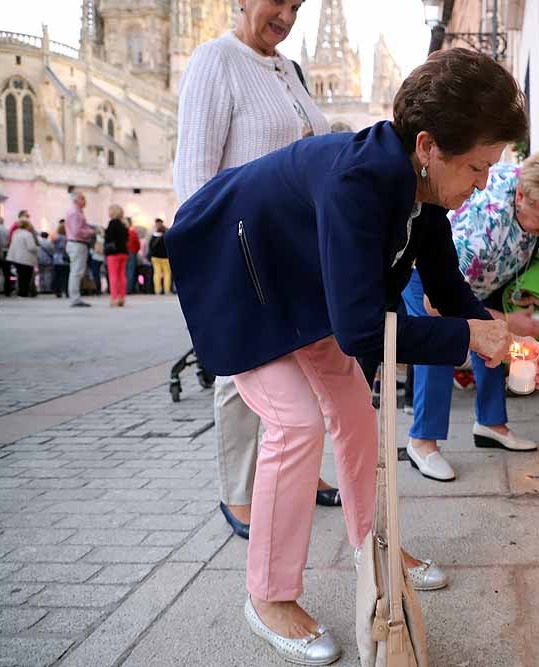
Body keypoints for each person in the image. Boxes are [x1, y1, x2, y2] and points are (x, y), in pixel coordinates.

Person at [167, 47, 526, 665]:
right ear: (428, 145)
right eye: (477, 166)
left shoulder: (425, 189)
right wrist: (468, 339)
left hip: (301, 286)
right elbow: (363, 332)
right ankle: (269, 596)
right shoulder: (358, 181)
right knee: (296, 421)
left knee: (356, 412)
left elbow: (445, 288)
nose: (483, 184)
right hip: (239, 279)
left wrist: (494, 326)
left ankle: (375, 544)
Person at [173, 0, 336, 545]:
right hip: (241, 246)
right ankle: (238, 489)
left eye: (297, 5)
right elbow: (195, 176)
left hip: (298, 247)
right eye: (279, 1)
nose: (287, 16)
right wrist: (216, 261)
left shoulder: (289, 69)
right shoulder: (215, 60)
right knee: (241, 371)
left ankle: (301, 469)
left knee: (303, 363)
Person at [401, 150, 539, 481]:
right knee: (441, 344)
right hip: (430, 283)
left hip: (481, 278)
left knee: (494, 343)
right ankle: (422, 441)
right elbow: (439, 303)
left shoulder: (532, 187)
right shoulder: (485, 229)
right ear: (521, 196)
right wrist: (507, 320)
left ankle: (490, 424)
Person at [65, 191, 95, 307]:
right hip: (77, 244)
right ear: (76, 200)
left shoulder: (77, 212)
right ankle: (75, 298)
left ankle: (75, 297)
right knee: (76, 272)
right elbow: (77, 231)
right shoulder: (75, 213)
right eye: (82, 198)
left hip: (77, 244)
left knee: (76, 271)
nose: (85, 201)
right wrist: (92, 232)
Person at [6, 219, 38, 298]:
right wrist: (37, 248)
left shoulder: (15, 233)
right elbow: (31, 247)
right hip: (26, 259)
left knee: (20, 276)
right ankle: (24, 293)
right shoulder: (27, 234)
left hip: (16, 258)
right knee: (26, 277)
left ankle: (20, 292)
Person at [104, 205, 129, 307]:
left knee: (113, 276)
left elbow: (108, 237)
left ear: (113, 212)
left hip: (113, 253)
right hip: (124, 253)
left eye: (109, 211)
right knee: (122, 276)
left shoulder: (112, 223)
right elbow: (126, 239)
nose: (108, 213)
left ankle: (114, 298)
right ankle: (122, 298)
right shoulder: (124, 224)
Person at [148, 218, 171, 295]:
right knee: (167, 273)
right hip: (165, 257)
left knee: (157, 274)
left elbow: (150, 246)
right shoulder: (167, 233)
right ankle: (166, 290)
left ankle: (157, 290)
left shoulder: (153, 234)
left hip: (155, 257)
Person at [51, 221, 70, 298]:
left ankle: (58, 292)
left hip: (56, 259)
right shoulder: (67, 238)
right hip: (65, 259)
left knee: (57, 276)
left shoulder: (56, 238)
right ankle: (66, 291)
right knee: (66, 276)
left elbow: (52, 248)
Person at [126, 216, 140, 294]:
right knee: (130, 272)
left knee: (123, 272)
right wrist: (135, 251)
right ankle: (129, 289)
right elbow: (137, 244)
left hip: (123, 252)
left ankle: (124, 289)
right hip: (132, 253)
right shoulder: (132, 232)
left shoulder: (122, 232)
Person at [89, 229, 105, 295]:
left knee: (95, 275)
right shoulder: (103, 238)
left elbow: (91, 250)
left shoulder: (94, 238)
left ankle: (97, 289)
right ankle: (99, 289)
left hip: (95, 257)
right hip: (102, 258)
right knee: (99, 274)